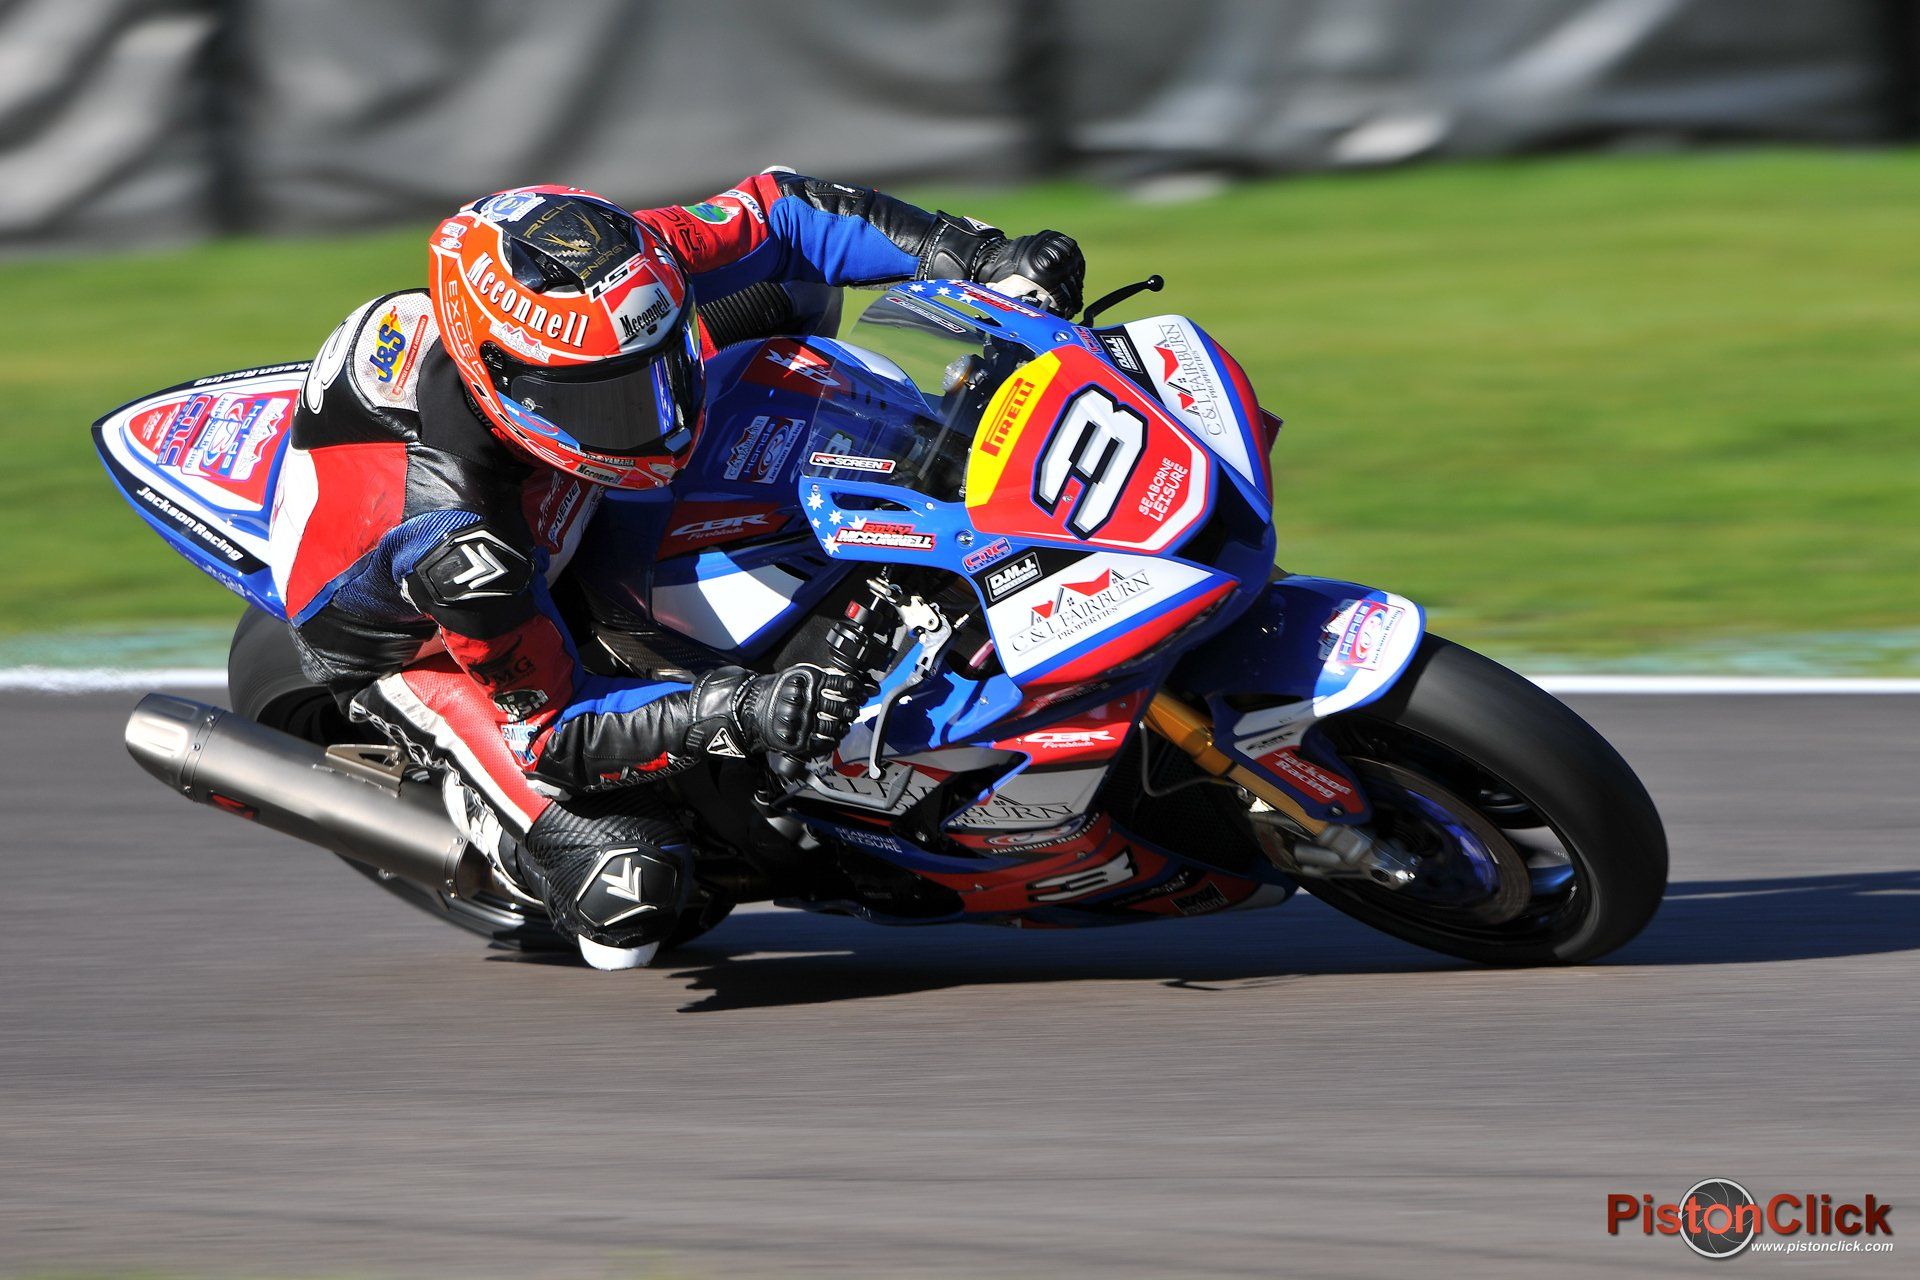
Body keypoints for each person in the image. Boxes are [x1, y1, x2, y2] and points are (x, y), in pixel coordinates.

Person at [267, 174, 1085, 968]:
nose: (663, 422)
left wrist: (976, 256)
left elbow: (783, 213)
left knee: (789, 290)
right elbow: (557, 732)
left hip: (550, 498)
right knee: (632, 892)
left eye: (664, 372)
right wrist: (744, 707)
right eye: (616, 402)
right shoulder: (461, 546)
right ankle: (492, 824)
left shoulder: (614, 274)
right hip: (421, 642)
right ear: (509, 381)